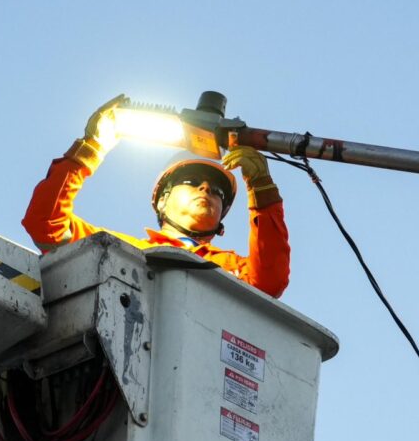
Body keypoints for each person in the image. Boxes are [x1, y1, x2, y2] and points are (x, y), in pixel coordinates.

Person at [21, 95, 290, 297]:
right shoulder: (120, 250)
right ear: (162, 200)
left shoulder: (231, 268)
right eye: (191, 181)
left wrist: (261, 187)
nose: (206, 189)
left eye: (217, 190)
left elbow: (269, 281)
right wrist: (90, 148)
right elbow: (46, 224)